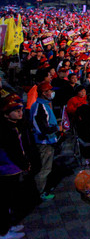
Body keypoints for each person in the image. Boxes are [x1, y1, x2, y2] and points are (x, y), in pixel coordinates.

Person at [0, 95, 29, 239]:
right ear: (6, 114)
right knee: (5, 201)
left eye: (21, 109)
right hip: (7, 169)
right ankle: (4, 232)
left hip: (12, 168)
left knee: (10, 201)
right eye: (16, 110)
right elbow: (14, 151)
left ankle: (9, 225)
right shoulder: (7, 130)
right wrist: (24, 164)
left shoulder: (13, 125)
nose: (20, 113)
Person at [29, 81, 59, 201]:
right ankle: (40, 192)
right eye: (49, 91)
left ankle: (42, 188)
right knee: (44, 169)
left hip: (48, 141)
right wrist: (57, 128)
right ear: (43, 93)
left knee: (46, 167)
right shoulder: (39, 107)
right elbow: (42, 128)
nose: (51, 93)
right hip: (44, 143)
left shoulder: (44, 105)